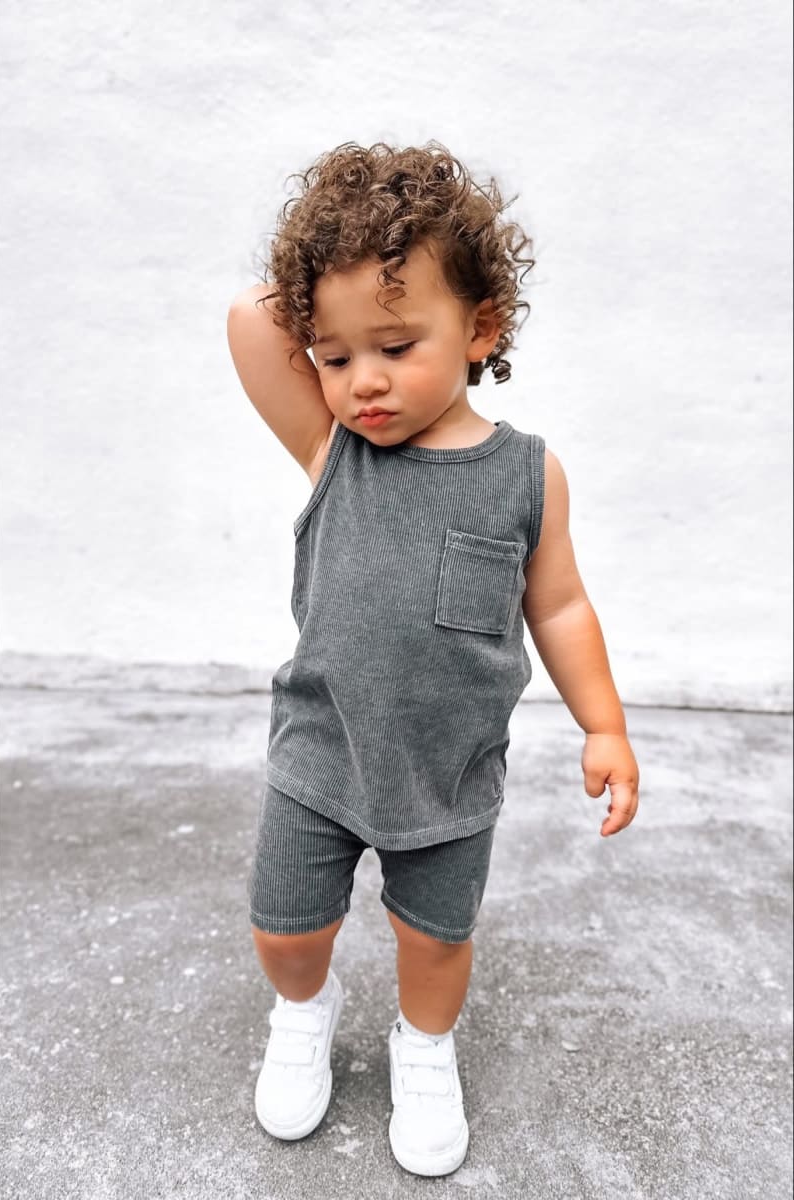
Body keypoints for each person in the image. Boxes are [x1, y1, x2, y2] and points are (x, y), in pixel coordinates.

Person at [227, 141, 640, 1178]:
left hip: (448, 772)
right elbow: (248, 319)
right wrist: (333, 258)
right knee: (284, 929)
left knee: (435, 942)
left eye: (397, 343)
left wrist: (603, 724)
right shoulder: (333, 452)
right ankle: (304, 1012)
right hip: (321, 755)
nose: (362, 381)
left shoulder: (526, 475)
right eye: (333, 357)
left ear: (480, 330)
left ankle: (423, 1048)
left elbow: (561, 605)